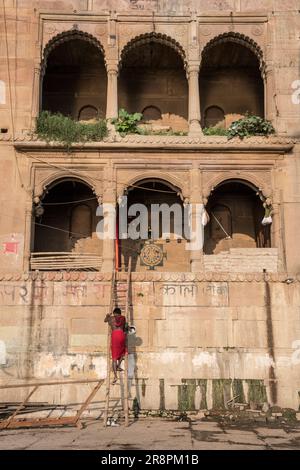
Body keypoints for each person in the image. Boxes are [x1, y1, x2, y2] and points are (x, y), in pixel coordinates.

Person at [104, 307, 127, 384]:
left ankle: (115, 376)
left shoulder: (111, 318)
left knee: (114, 357)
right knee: (123, 352)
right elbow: (125, 328)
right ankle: (118, 366)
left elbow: (105, 320)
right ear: (120, 313)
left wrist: (107, 315)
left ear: (114, 313)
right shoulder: (123, 318)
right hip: (121, 335)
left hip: (114, 336)